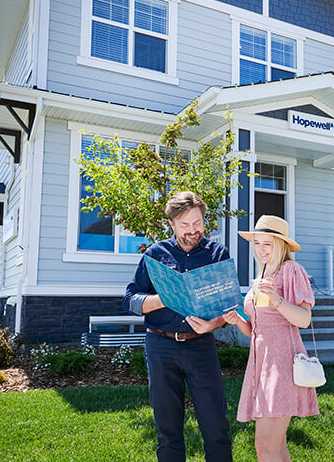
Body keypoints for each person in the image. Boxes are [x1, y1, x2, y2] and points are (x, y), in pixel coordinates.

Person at [123, 191, 232, 462]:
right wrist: (164, 298)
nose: (193, 230)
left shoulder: (217, 253)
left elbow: (229, 306)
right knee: (168, 429)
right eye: (185, 225)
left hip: (201, 345)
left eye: (198, 223)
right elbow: (130, 300)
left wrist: (213, 324)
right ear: (171, 223)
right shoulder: (155, 254)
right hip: (160, 346)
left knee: (215, 424)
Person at [223, 215, 319, 462]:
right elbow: (256, 330)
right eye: (257, 243)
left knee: (265, 447)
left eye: (268, 243)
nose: (261, 249)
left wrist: (277, 299)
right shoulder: (263, 272)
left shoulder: (291, 270)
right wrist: (239, 322)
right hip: (260, 364)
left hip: (282, 364)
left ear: (281, 245)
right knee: (275, 447)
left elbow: (304, 320)